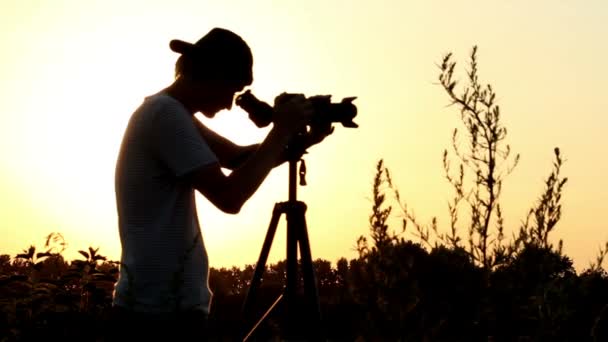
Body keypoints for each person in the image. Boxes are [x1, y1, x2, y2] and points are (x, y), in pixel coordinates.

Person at [110, 27, 326, 341]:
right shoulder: (165, 116)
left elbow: (238, 158)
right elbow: (229, 197)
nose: (229, 104)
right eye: (232, 89)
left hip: (162, 307)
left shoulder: (169, 111)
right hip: (157, 313)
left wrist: (302, 139)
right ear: (212, 74)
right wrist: (280, 131)